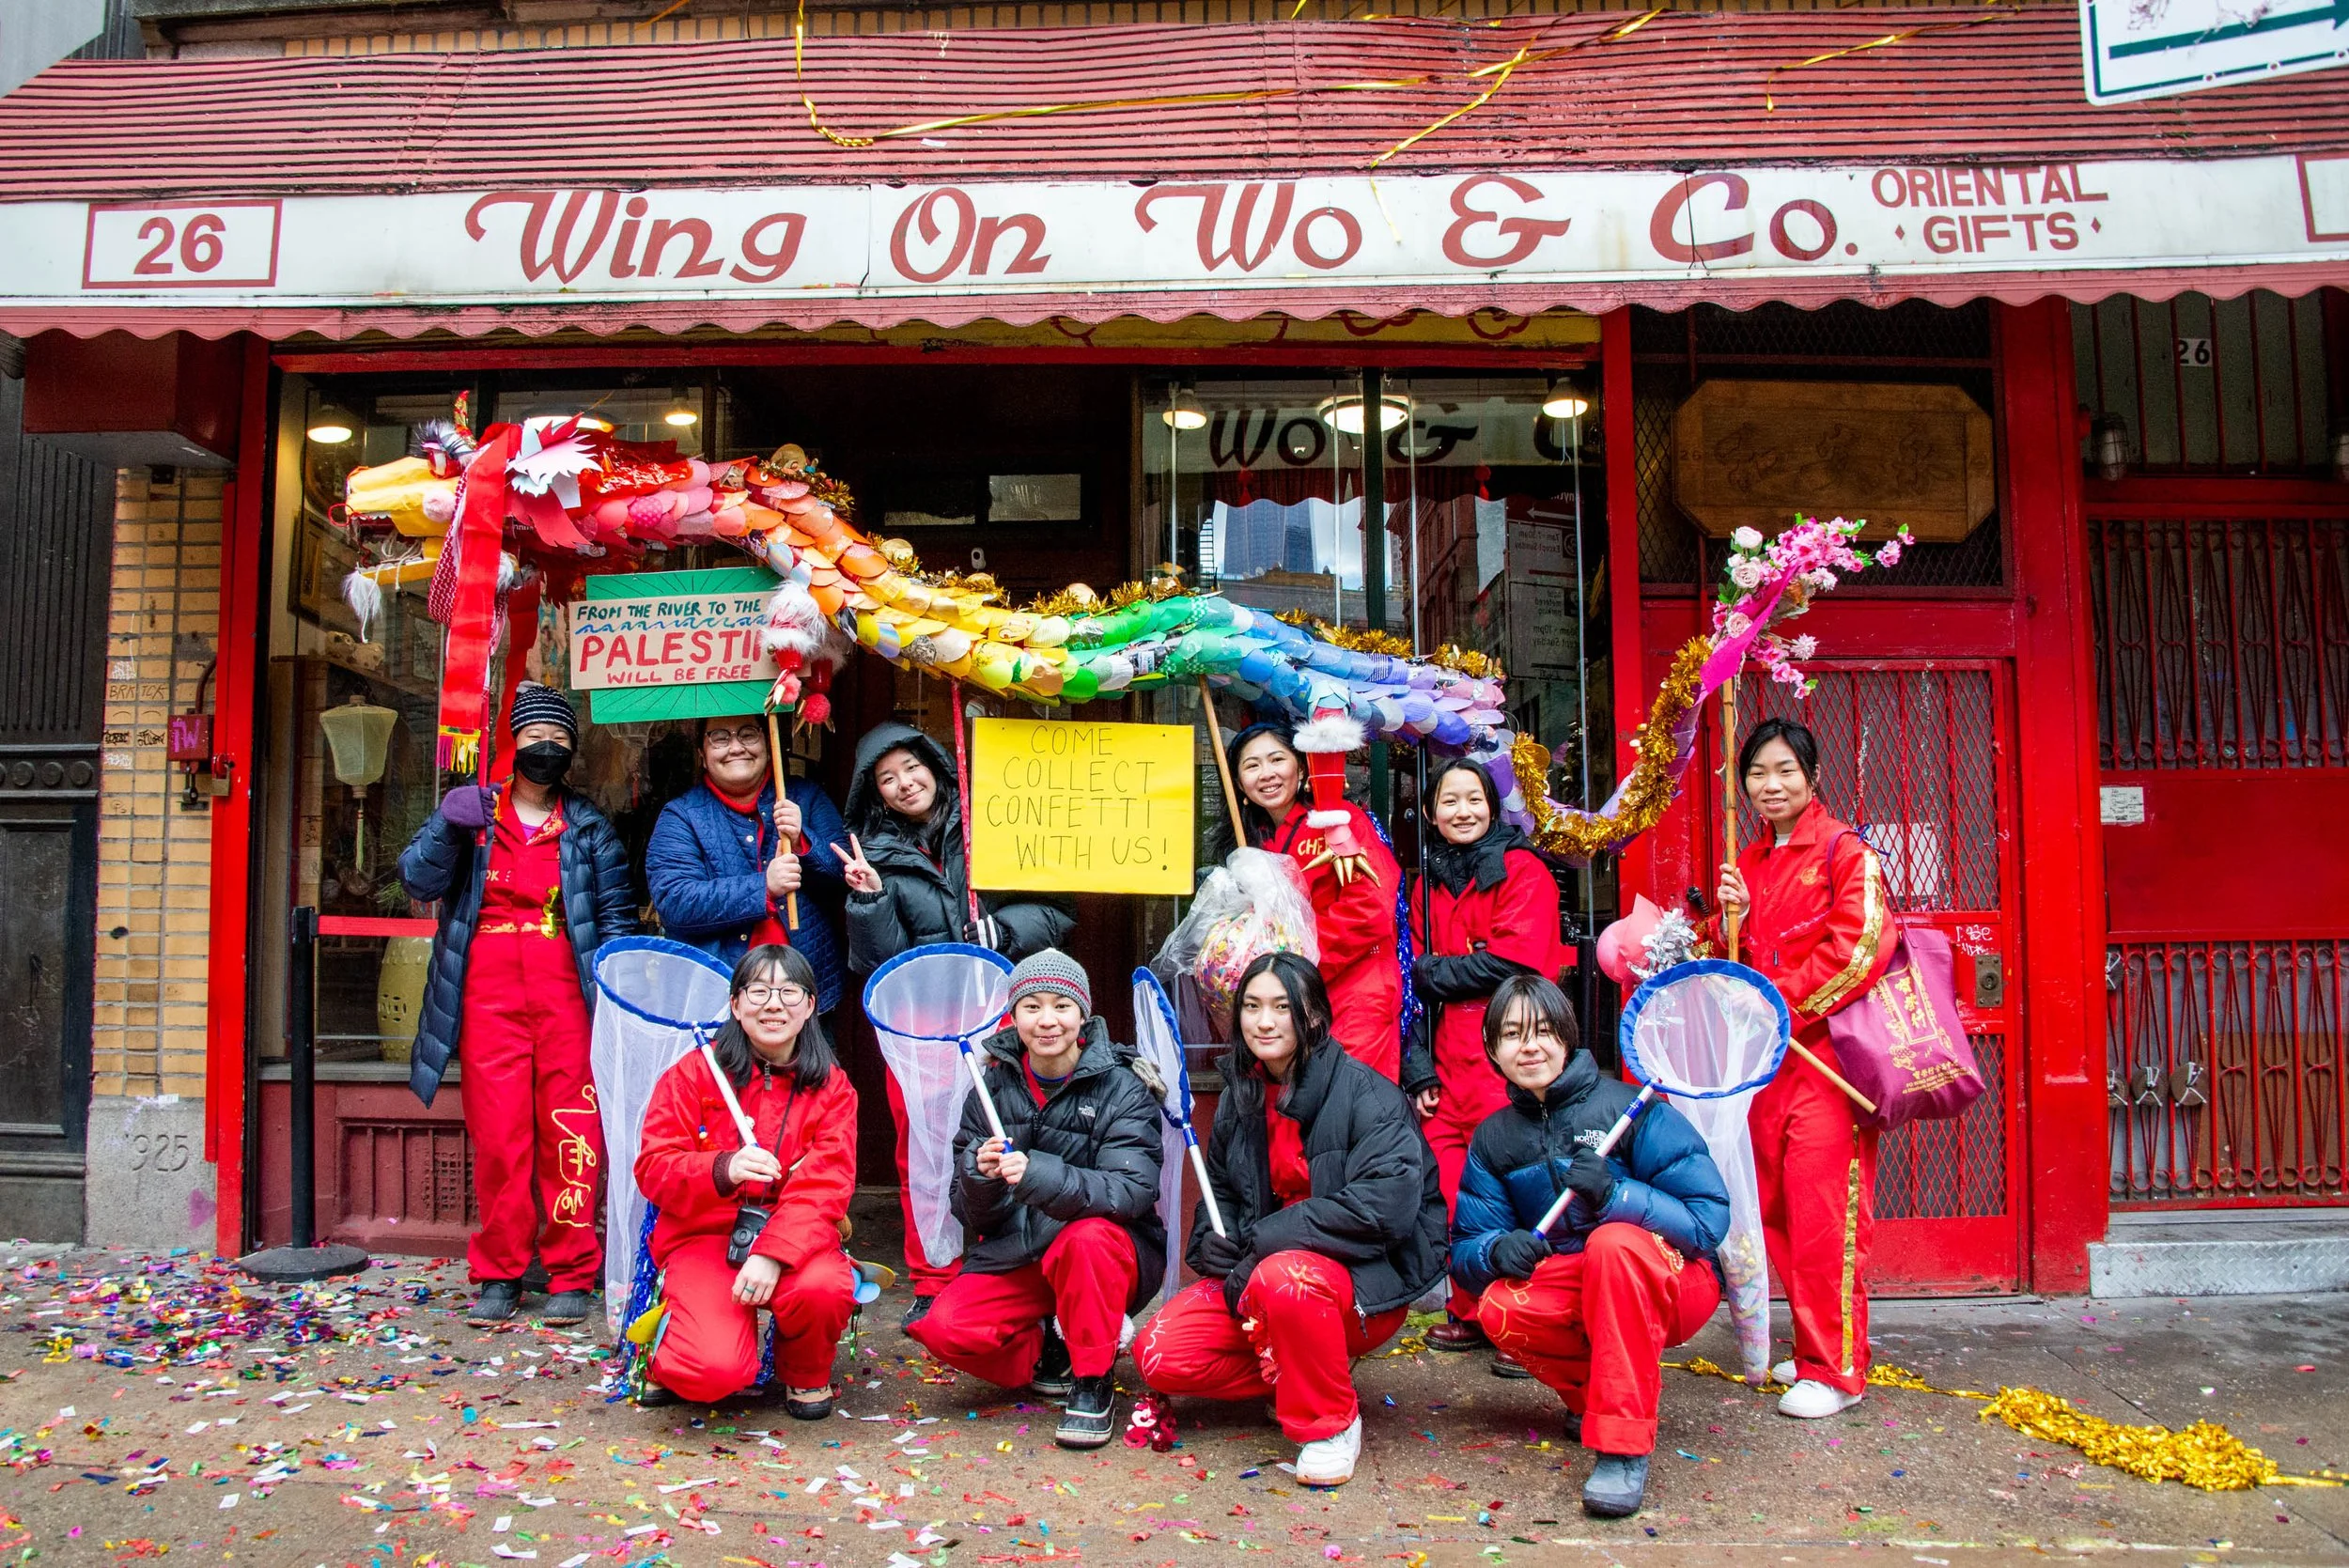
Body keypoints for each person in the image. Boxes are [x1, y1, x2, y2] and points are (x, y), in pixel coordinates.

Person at [1132, 952, 1446, 1487]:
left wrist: (1262, 1240)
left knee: (1285, 1278)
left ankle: (1330, 1423)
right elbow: (1223, 1194)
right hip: (1259, 1278)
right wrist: (1213, 1245)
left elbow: (1383, 1210)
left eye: (1282, 1006)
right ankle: (1302, 1370)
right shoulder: (1241, 1095)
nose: (1265, 1021)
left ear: (1314, 1016)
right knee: (1159, 1353)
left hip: (1360, 1282)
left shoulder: (1370, 1096)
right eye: (1252, 1006)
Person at [398, 683, 637, 1327]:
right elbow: (417, 880)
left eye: (558, 740)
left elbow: (614, 921)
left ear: (572, 751)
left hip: (568, 1001)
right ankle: (499, 1270)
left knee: (571, 1135)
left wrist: (617, 1005)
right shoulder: (474, 817)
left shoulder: (589, 829)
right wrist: (448, 822)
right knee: (501, 1140)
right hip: (487, 1001)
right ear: (512, 742)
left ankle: (571, 1270)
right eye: (534, 737)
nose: (546, 749)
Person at [1452, 975, 1729, 1517]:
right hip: (1582, 1287)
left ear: (1569, 1038)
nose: (1529, 1046)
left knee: (1614, 1243)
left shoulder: (1630, 1107)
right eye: (1512, 1034)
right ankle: (1600, 1400)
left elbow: (1706, 1222)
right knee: (1499, 1307)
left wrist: (1617, 1193)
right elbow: (1466, 1249)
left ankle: (1622, 1447)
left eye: (1544, 1031)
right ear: (1492, 1050)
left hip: (1672, 1284)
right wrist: (1494, 1251)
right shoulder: (1494, 1137)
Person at [833, 719, 1075, 1321]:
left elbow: (1061, 905)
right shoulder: (876, 853)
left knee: (1006, 1136)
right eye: (887, 779)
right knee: (927, 1146)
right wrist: (868, 898)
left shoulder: (990, 822)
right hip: (920, 1025)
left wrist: (1006, 928)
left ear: (937, 766)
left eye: (912, 768)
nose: (904, 784)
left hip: (996, 1011)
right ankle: (931, 1276)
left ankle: (1003, 1267)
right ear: (876, 793)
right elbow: (878, 960)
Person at [905, 950, 1165, 1449]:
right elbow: (968, 1210)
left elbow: (1131, 1190)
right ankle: (1049, 1343)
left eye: (1062, 1006)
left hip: (1100, 1254)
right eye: (1032, 1006)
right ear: (1014, 1014)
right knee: (944, 1328)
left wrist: (1038, 1175)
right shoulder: (990, 1085)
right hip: (1018, 1252)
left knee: (1087, 1238)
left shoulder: (1122, 1086)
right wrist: (978, 1176)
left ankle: (1092, 1379)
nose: (1047, 1021)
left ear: (1083, 1015)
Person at [1711, 716, 1896, 1420]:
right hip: (1765, 1069)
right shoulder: (1749, 861)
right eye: (1757, 772)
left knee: (1827, 1218)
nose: (1771, 784)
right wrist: (1725, 919)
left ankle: (1838, 1368)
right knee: (1777, 1212)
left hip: (1824, 1064)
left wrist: (1773, 1003)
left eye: (1785, 769)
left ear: (1813, 777)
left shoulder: (1848, 853)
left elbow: (1862, 948)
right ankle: (1816, 1343)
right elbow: (1739, 959)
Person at [630, 945, 858, 1413]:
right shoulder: (693, 1074)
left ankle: (805, 1375)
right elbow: (653, 1168)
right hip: (705, 1236)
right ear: (735, 1004)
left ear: (811, 1005)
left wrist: (774, 1254)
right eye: (758, 991)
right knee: (714, 1372)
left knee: (822, 1287)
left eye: (789, 992)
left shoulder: (834, 1088)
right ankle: (668, 1350)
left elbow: (825, 1187)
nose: (774, 1004)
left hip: (796, 1237)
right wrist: (721, 1167)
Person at [1404, 757, 1569, 1358]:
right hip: (1446, 1062)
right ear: (1430, 813)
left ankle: (1526, 1319)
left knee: (1521, 1190)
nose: (1463, 811)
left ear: (1493, 808)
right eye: (1448, 801)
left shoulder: (1523, 871)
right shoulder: (1424, 883)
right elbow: (1411, 983)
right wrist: (1416, 1063)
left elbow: (1518, 966)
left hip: (1512, 1059)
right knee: (1453, 1192)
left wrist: (1441, 970)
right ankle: (1471, 1311)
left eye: (1474, 799)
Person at [1214, 721, 1404, 1079]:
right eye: (1252, 766)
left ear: (1300, 767)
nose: (1266, 774)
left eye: (1276, 760)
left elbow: (1370, 909)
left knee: (1352, 1107)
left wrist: (1296, 962)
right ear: (1239, 783)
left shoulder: (1338, 821)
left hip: (1354, 990)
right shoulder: (1252, 843)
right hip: (1288, 1000)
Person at [644, 713, 851, 1019]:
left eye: (748, 734)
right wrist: (762, 888)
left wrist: (802, 841)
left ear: (769, 744)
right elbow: (675, 901)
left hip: (804, 993)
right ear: (702, 754)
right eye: (720, 738)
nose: (736, 747)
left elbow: (844, 877)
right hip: (720, 997)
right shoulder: (682, 815)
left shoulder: (805, 798)